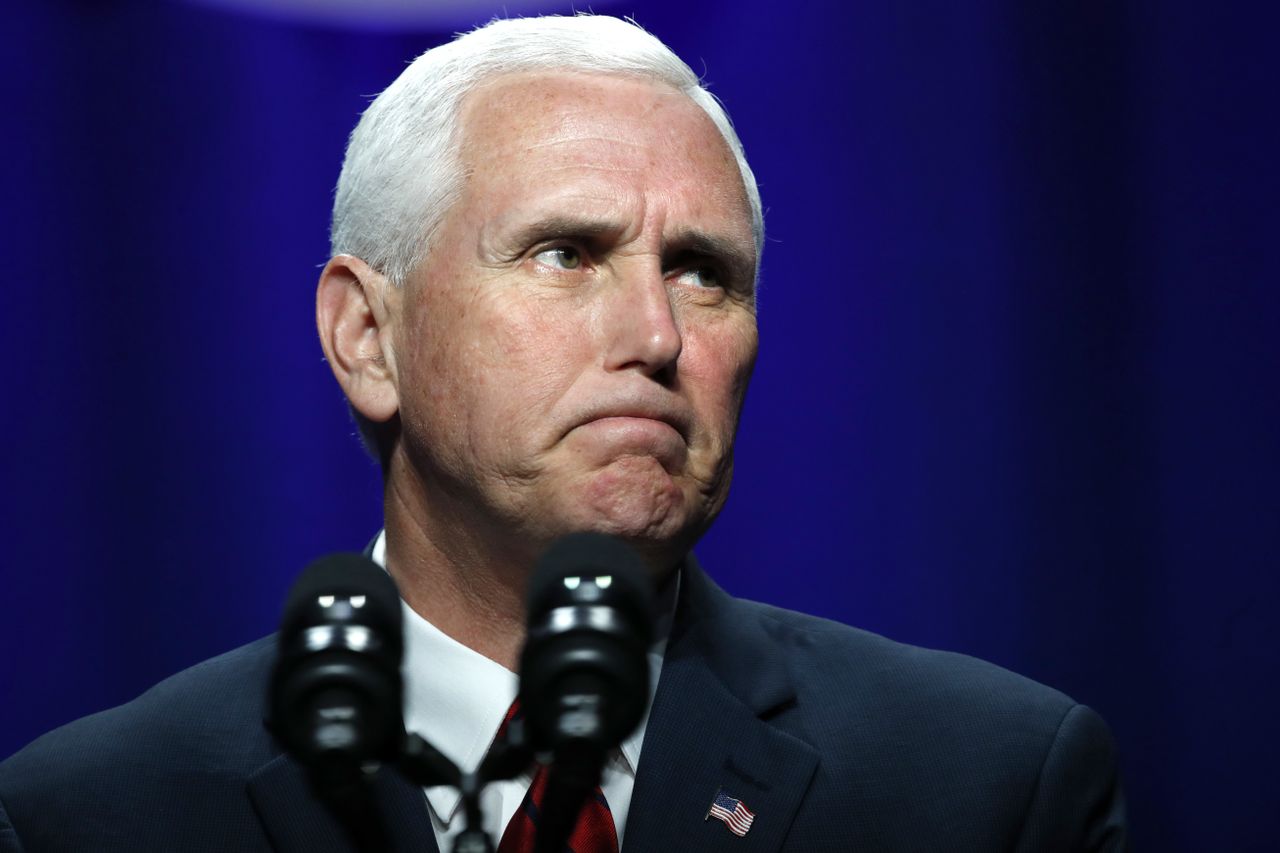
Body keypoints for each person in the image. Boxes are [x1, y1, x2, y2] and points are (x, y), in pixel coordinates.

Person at [0, 15, 1128, 852]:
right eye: (565, 254)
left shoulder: (986, 790)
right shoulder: (92, 818)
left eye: (702, 273)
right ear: (365, 337)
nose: (654, 334)